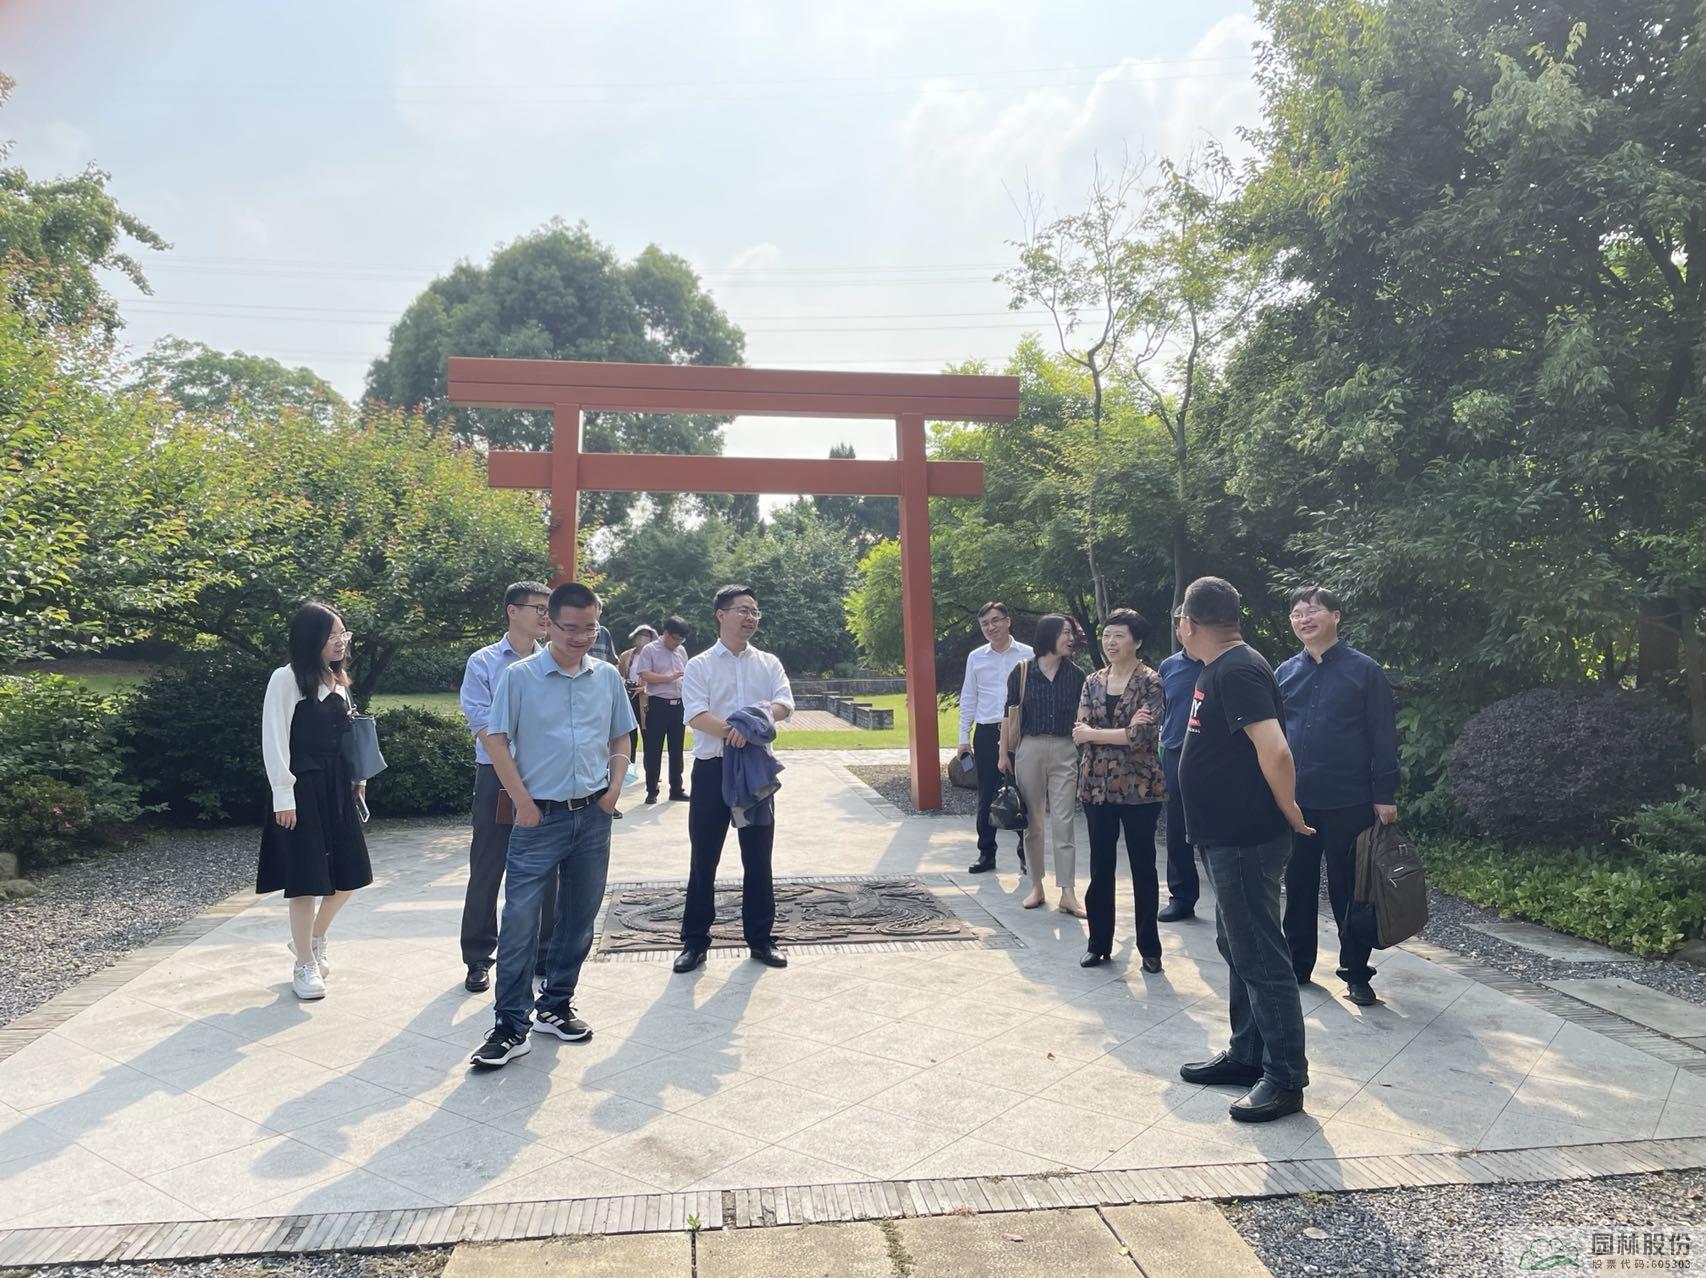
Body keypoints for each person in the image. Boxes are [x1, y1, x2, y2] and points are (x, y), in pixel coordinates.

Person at [468, 581, 635, 1069]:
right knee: (520, 921)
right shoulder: (519, 677)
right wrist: (522, 802)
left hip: (593, 816)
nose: (581, 637)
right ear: (550, 624)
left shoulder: (606, 677)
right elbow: (496, 740)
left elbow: (621, 734)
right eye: (570, 628)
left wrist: (613, 789)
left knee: (580, 918)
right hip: (538, 818)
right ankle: (510, 1025)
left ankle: (556, 1006)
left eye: (591, 628)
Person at [1175, 576, 1314, 1123]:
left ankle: (1285, 1078)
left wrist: (1289, 807)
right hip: (1224, 835)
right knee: (1237, 945)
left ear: (1189, 623)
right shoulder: (1223, 666)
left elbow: (1275, 749)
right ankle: (1247, 1054)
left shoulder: (1238, 669)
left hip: (1245, 837)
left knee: (1259, 954)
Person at [1277, 585, 1400, 1008]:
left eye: (1312, 611)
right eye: (1297, 613)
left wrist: (1384, 793)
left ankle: (1356, 973)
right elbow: (1274, 736)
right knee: (1298, 884)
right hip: (1297, 799)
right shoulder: (1284, 673)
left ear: (1335, 616)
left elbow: (1383, 735)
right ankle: (1296, 965)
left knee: (1351, 889)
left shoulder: (1365, 671)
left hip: (1350, 798)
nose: (1304, 619)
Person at [673, 585, 794, 974]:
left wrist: (751, 723)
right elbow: (695, 714)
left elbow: (784, 704)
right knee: (704, 857)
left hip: (756, 770)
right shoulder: (700, 665)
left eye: (755, 611)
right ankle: (695, 941)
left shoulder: (768, 662)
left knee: (758, 857)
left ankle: (761, 939)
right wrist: (734, 731)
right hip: (713, 770)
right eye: (743, 610)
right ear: (721, 615)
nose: (751, 617)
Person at [258, 602, 373, 1001]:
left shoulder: (339, 681)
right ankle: (305, 963)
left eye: (344, 634)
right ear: (311, 638)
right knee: (305, 879)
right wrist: (283, 795)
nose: (341, 642)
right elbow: (274, 739)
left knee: (350, 875)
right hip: (302, 785)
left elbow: (346, 740)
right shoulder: (287, 679)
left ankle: (311, 938)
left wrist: (358, 781)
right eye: (332, 635)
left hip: (337, 784)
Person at [456, 581, 556, 995]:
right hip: (496, 775)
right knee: (488, 866)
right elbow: (484, 727)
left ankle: (544, 952)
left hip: (545, 774)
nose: (547, 616)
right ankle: (478, 956)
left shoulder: (553, 661)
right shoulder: (483, 662)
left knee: (547, 866)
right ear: (513, 611)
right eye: (539, 608)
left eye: (549, 609)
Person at [1072, 609, 1166, 971]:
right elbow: (1079, 733)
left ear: (1136, 641)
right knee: (1100, 867)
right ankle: (1098, 943)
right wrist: (1121, 732)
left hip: (1139, 786)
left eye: (1119, 636)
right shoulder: (1092, 681)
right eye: (1106, 636)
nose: (1110, 642)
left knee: (1143, 867)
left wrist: (1097, 734)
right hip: (1096, 786)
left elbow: (1143, 736)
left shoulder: (1150, 681)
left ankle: (1150, 948)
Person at [1001, 613, 1087, 915]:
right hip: (1030, 748)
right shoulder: (1023, 671)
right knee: (1033, 822)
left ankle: (1068, 893)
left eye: (1071, 633)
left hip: (1065, 749)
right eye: (1065, 632)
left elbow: (1084, 715)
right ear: (1049, 635)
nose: (1071, 638)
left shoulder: (1077, 675)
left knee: (1064, 822)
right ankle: (1036, 886)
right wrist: (1003, 754)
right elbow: (1008, 714)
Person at [957, 602, 1034, 874]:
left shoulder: (1028, 654)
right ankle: (986, 853)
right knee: (986, 794)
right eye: (985, 624)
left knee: (1023, 792)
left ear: (1008, 621)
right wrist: (963, 737)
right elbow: (969, 697)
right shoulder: (976, 657)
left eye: (995, 621)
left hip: (1020, 731)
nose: (991, 627)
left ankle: (1026, 853)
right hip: (987, 731)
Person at [1156, 616, 1205, 922]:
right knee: (1176, 828)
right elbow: (1163, 709)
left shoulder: (1218, 662)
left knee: (1214, 827)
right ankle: (1182, 896)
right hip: (1175, 751)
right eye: (1181, 624)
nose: (1185, 629)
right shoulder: (1169, 667)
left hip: (1212, 755)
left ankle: (1226, 894)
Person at [633, 615, 692, 804]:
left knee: (677, 749)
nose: (677, 643)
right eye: (675, 639)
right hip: (658, 704)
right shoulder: (650, 649)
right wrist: (669, 677)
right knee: (653, 749)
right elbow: (644, 674)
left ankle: (676, 789)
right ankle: (652, 790)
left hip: (678, 705)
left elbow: (686, 674)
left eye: (681, 640)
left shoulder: (681, 650)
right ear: (665, 633)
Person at [617, 623, 657, 766]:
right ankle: (629, 767)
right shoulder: (626, 656)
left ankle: (650, 770)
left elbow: (658, 678)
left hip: (647, 700)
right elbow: (620, 675)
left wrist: (644, 688)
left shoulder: (654, 656)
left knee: (649, 736)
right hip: (629, 697)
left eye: (646, 636)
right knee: (630, 734)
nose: (643, 638)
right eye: (641, 635)